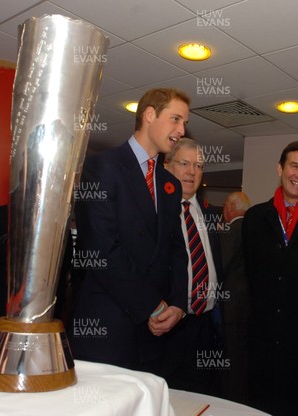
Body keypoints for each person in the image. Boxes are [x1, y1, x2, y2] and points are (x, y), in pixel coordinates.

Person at [70, 88, 190, 374]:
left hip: (153, 333)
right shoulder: (101, 167)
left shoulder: (168, 184)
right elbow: (99, 250)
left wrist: (177, 304)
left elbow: (176, 251)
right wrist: (152, 306)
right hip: (107, 328)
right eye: (175, 119)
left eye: (184, 122)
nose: (181, 130)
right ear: (149, 114)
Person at [243, 141, 298, 416]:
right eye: (294, 166)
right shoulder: (255, 218)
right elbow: (249, 277)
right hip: (261, 345)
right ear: (280, 168)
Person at [161, 137, 224, 393]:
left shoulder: (210, 216)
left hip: (204, 326)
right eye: (184, 163)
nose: (192, 171)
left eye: (198, 166)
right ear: (167, 167)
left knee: (199, 398)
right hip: (166, 327)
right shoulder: (156, 213)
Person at [219, 191, 251, 404]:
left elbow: (221, 265)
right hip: (248, 306)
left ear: (231, 207)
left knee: (231, 359)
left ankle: (230, 403)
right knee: (242, 357)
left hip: (231, 306)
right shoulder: (253, 231)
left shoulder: (232, 231)